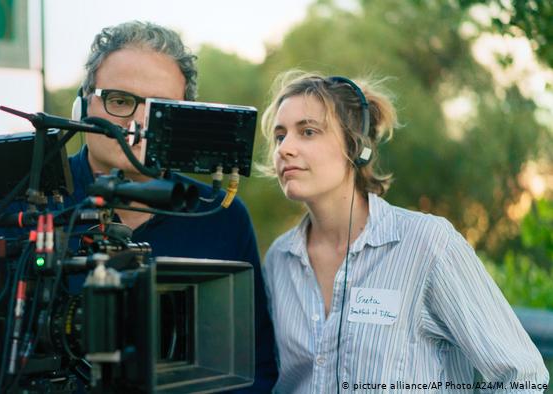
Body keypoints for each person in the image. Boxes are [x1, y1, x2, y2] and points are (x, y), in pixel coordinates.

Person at [258, 70, 549, 393]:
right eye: (280, 136)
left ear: (356, 147)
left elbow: (523, 376)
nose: (285, 149)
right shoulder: (278, 260)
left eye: (308, 132)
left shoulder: (429, 244)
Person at [66, 21, 278, 391]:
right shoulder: (19, 201)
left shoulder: (221, 215)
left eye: (160, 107)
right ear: (82, 104)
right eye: (119, 100)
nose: (138, 123)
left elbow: (254, 368)